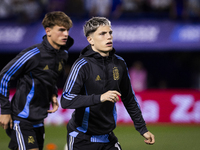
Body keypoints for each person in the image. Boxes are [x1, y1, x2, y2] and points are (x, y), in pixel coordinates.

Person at [61, 17, 155, 150]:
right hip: (81, 140)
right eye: (102, 34)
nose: (109, 37)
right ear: (90, 40)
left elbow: (129, 98)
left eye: (110, 33)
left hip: (108, 139)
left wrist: (142, 128)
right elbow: (66, 100)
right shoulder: (82, 65)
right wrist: (100, 97)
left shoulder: (119, 63)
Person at [0, 11, 74, 150]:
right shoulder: (33, 54)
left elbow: (50, 77)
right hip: (21, 118)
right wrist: (5, 110)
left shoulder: (63, 55)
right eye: (61, 30)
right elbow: (4, 76)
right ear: (48, 31)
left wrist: (52, 94)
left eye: (67, 30)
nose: (65, 34)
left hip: (39, 119)